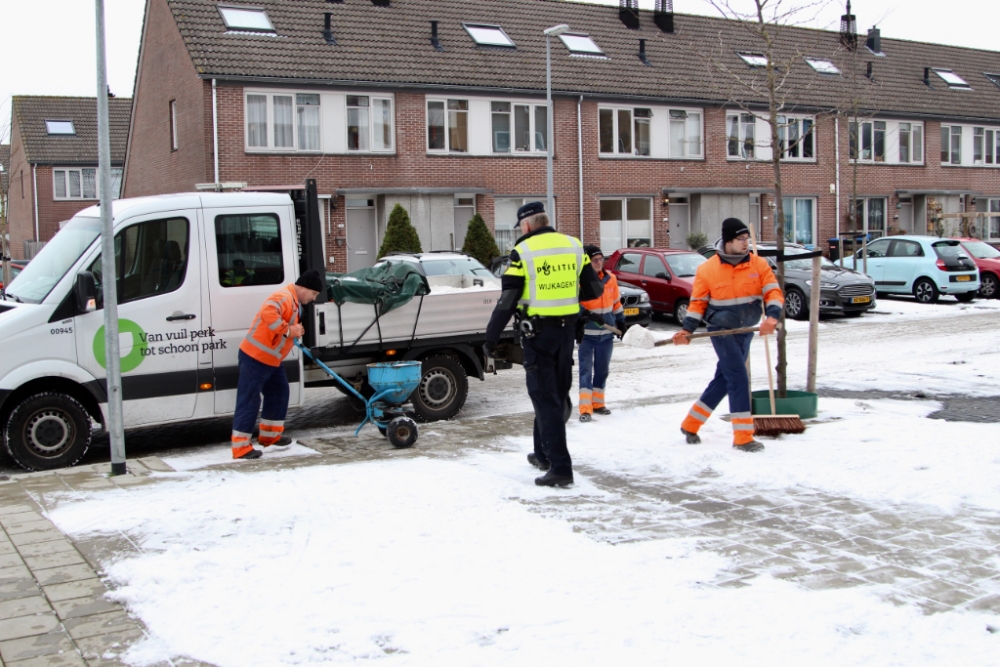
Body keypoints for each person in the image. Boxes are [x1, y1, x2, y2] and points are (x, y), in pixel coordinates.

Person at [484, 202, 603, 487]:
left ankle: (560, 467)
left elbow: (507, 300)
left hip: (538, 336)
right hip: (567, 334)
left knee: (544, 398)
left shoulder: (522, 252)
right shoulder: (574, 246)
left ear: (526, 225)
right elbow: (593, 289)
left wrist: (491, 337)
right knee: (555, 394)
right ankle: (542, 453)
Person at [672, 218, 783, 453]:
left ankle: (691, 424)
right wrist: (687, 330)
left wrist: (772, 318)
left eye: (747, 239)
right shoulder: (708, 269)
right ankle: (743, 436)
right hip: (721, 330)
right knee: (739, 377)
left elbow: (772, 291)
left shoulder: (758, 264)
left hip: (746, 330)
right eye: (741, 239)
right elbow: (698, 303)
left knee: (724, 379)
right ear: (728, 240)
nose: (746, 243)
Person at [231, 270, 323, 460]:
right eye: (313, 294)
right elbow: (268, 312)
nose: (313, 299)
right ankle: (241, 448)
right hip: (255, 357)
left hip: (271, 359)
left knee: (279, 391)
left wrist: (295, 330)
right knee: (249, 399)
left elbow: (286, 325)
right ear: (304, 288)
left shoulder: (295, 303)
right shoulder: (284, 296)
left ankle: (270, 436)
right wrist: (288, 330)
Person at [577, 245, 625, 422]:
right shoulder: (581, 280)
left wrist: (621, 322)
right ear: (587, 262)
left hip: (606, 334)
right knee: (585, 371)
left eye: (601, 259)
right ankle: (585, 408)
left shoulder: (610, 279)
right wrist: (587, 313)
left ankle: (598, 404)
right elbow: (575, 304)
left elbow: (616, 303)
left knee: (602, 370)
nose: (599, 263)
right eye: (595, 260)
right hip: (587, 335)